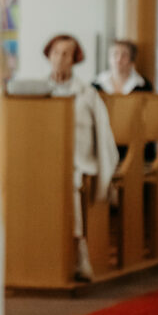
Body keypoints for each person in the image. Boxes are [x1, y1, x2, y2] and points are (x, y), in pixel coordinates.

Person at [45, 34, 118, 281]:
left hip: (78, 158)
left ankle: (79, 251)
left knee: (69, 181)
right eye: (55, 52)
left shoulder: (87, 94)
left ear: (75, 59)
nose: (59, 58)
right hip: (43, 157)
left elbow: (104, 134)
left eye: (66, 54)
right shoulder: (37, 91)